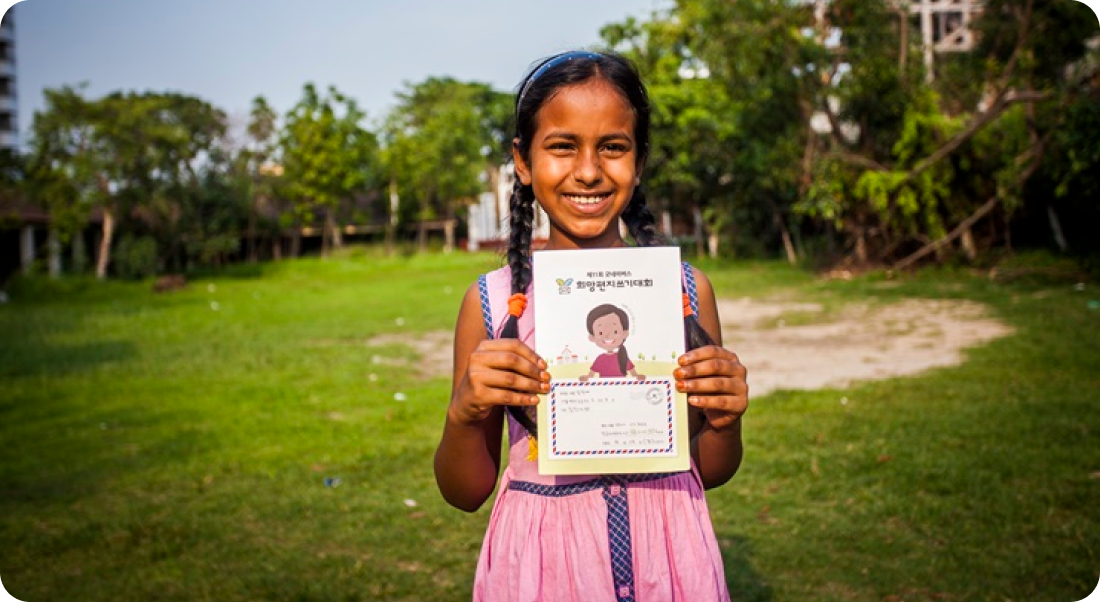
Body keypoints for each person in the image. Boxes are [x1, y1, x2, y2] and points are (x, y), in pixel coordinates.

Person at [434, 50, 749, 602]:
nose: (587, 170)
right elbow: (464, 492)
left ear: (639, 160)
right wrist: (464, 412)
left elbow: (712, 469)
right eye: (562, 146)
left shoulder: (685, 293)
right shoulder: (490, 304)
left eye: (613, 147)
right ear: (524, 162)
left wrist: (723, 420)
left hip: (669, 556)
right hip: (543, 565)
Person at [579, 303, 646, 381]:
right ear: (592, 337)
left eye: (615, 332)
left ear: (624, 333)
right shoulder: (600, 359)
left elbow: (634, 374)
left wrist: (638, 377)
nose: (608, 336)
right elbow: (590, 375)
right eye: (600, 333)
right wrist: (585, 378)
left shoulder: (623, 357)